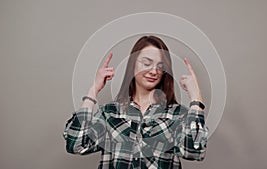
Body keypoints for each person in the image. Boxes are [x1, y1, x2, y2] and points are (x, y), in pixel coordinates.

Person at [63, 35, 208, 169]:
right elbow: (76, 144)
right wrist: (94, 89)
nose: (154, 71)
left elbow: (194, 151)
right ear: (133, 65)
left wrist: (196, 98)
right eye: (146, 63)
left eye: (160, 66)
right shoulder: (110, 113)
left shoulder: (177, 115)